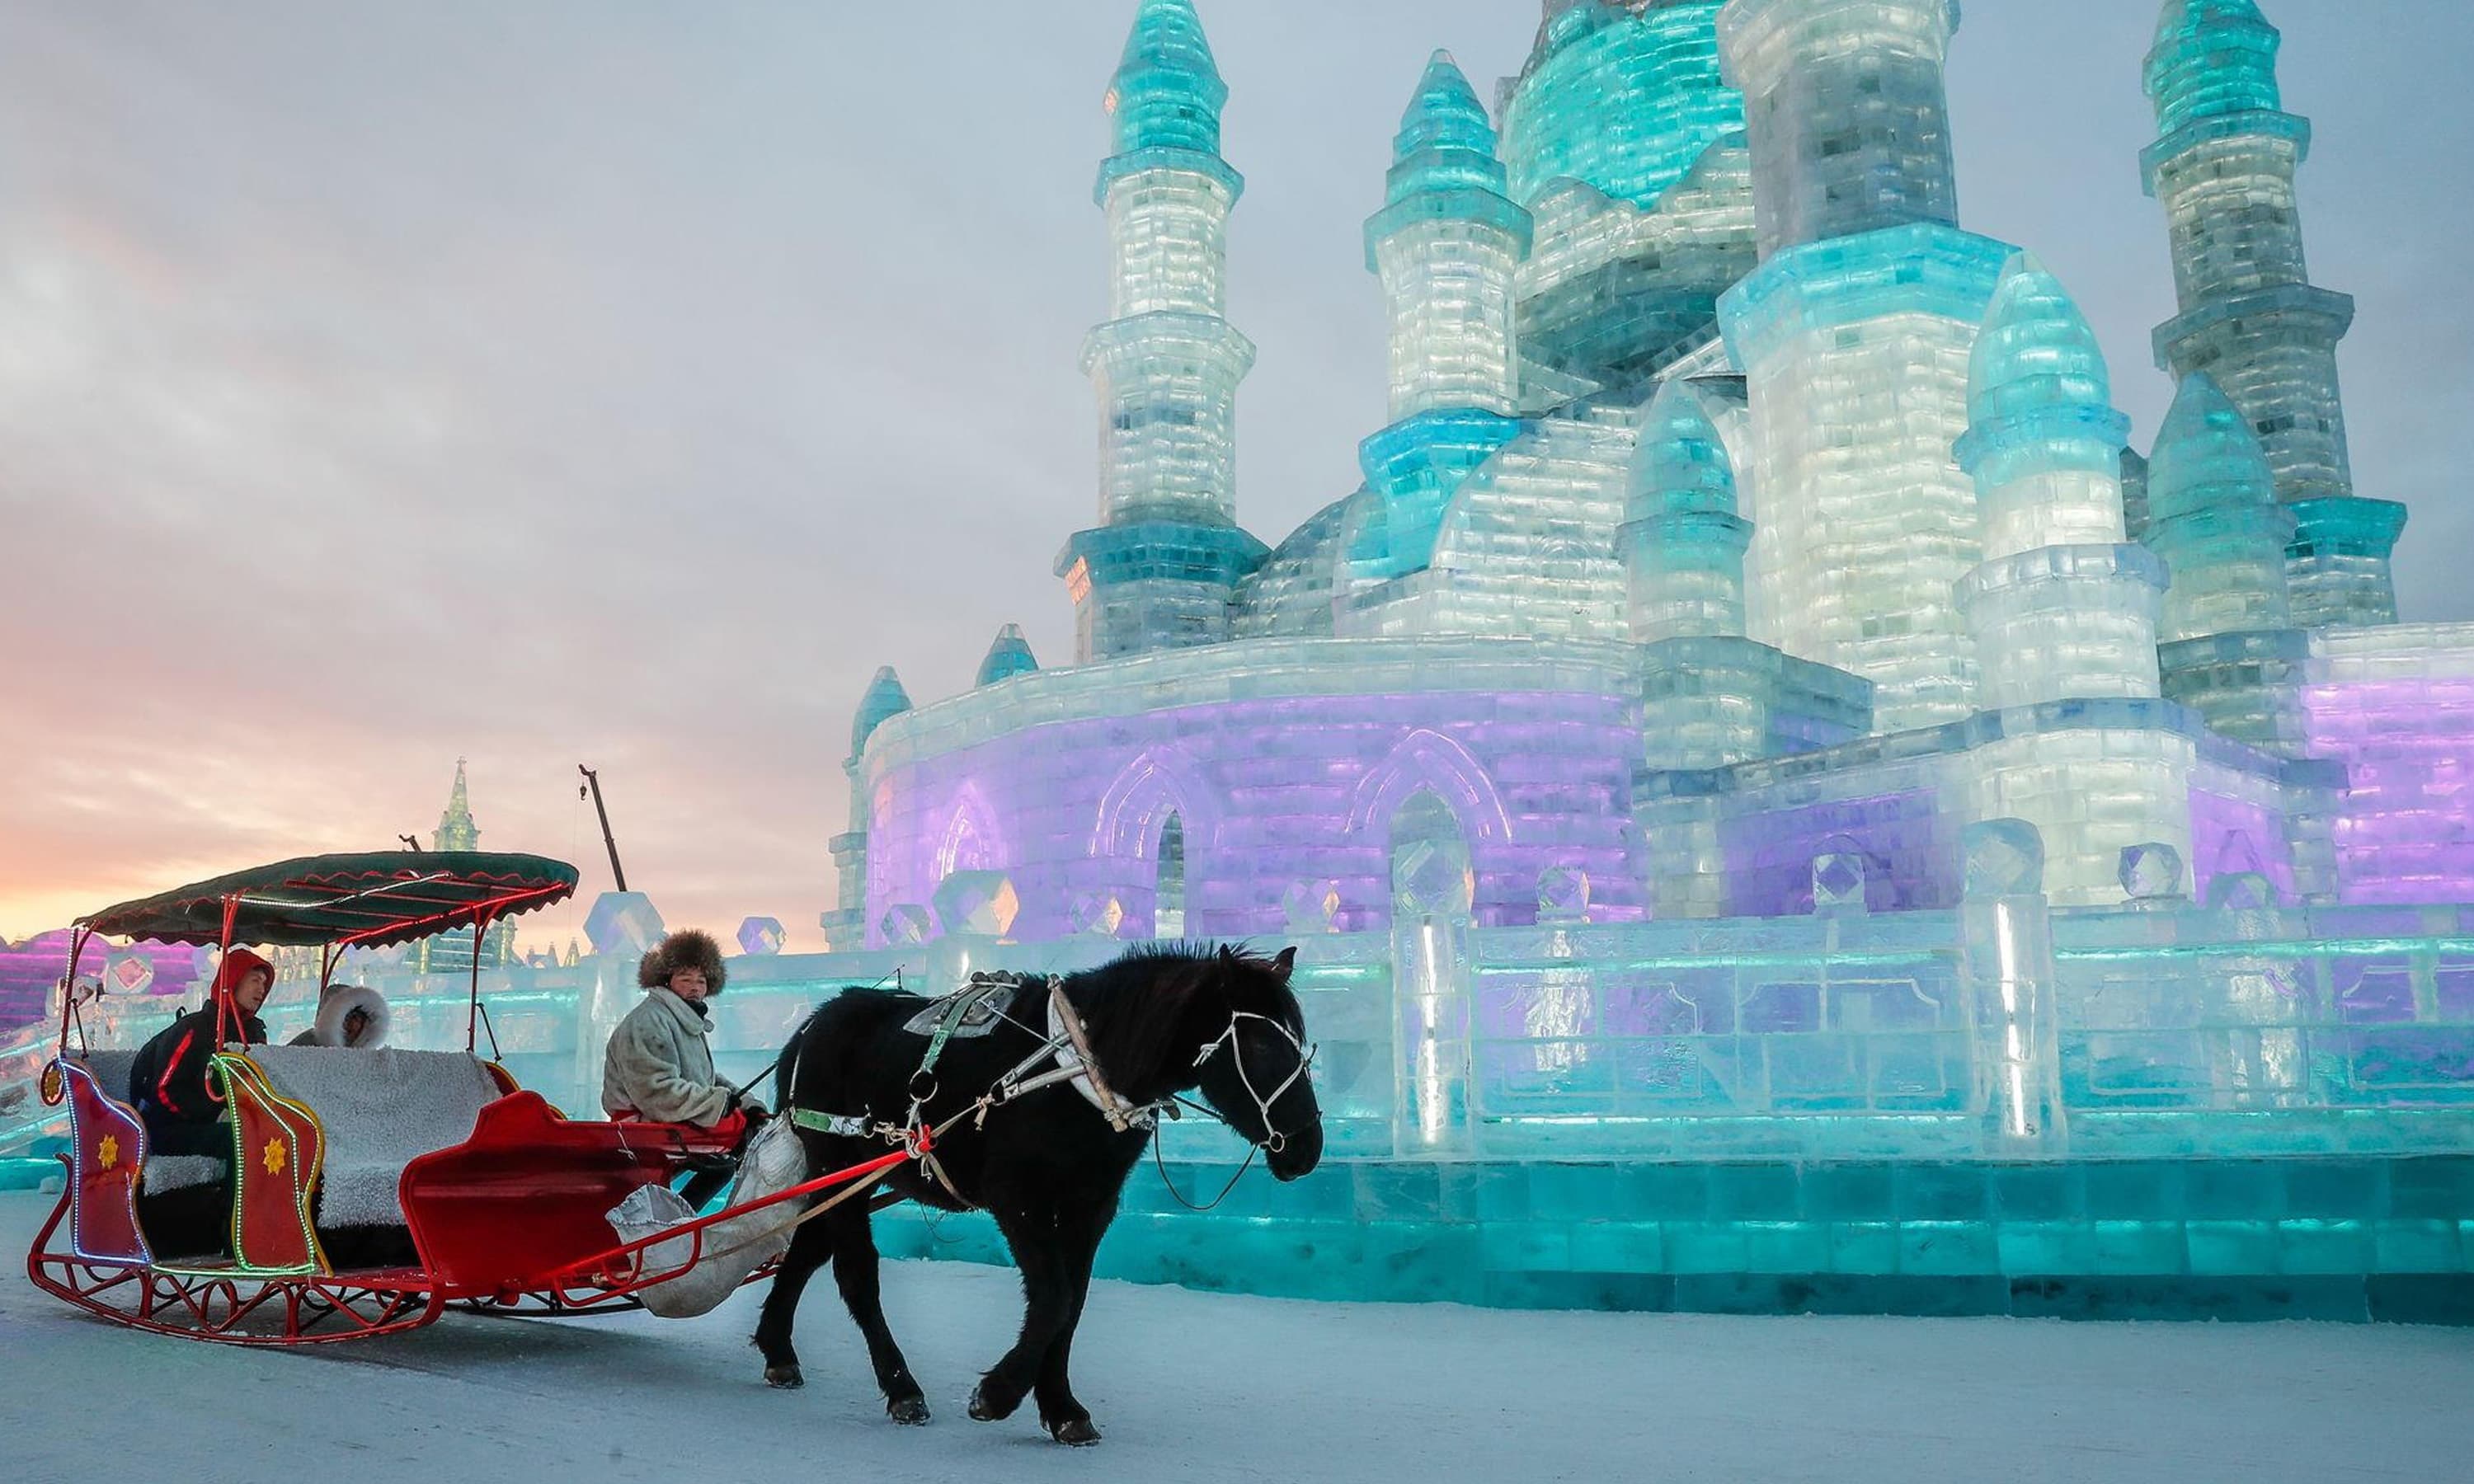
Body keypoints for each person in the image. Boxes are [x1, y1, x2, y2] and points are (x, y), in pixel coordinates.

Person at [603, 928, 763, 1209]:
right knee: (733, 1144)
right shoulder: (649, 1022)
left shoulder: (682, 1019)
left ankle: (679, 1218)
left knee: (739, 1144)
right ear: (667, 980)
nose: (694, 987)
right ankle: (672, 1224)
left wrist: (746, 1104)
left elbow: (708, 1080)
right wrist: (719, 1105)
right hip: (642, 1127)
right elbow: (656, 1092)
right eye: (685, 978)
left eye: (701, 981)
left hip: (671, 1119)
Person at [127, 946, 276, 1158]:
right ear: (233, 982)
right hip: (173, 1127)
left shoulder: (254, 1033)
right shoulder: (195, 1028)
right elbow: (164, 1090)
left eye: (264, 983)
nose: (261, 989)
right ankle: (233, 1193)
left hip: (231, 1120)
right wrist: (215, 1114)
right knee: (242, 1140)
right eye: (255, 980)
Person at [285, 983, 391, 1049]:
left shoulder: (368, 1056)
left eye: (356, 1018)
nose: (350, 1024)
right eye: (345, 1017)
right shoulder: (305, 1043)